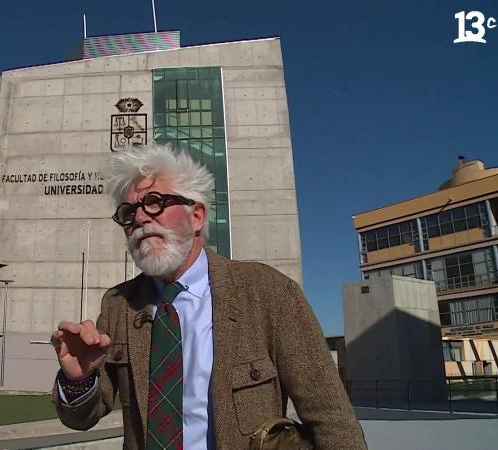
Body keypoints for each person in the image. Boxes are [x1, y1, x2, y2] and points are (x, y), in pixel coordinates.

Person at [50, 143, 366, 450]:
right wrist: (78, 378)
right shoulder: (118, 304)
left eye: (155, 202)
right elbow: (81, 418)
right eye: (128, 212)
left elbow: (330, 417)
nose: (141, 219)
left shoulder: (267, 291)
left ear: (197, 216)